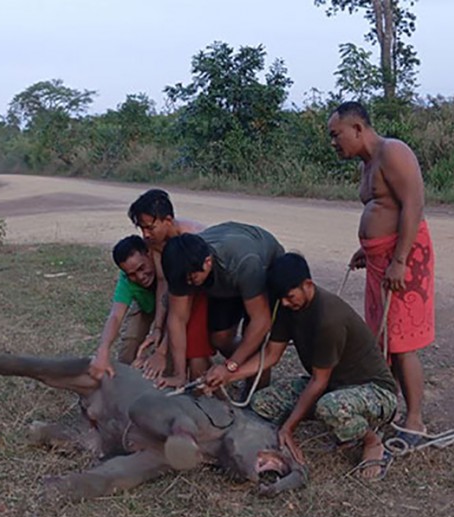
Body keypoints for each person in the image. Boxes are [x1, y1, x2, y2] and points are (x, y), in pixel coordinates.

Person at [205, 253, 398, 479]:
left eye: (290, 296)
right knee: (262, 402)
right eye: (282, 299)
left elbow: (319, 381)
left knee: (330, 408)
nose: (286, 303)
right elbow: (271, 355)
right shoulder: (287, 307)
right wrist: (228, 374)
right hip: (333, 387)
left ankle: (372, 441)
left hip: (374, 390)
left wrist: (288, 427)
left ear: (308, 284)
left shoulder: (328, 318)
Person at [328, 101, 436, 445]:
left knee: (402, 341)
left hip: (403, 260)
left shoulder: (393, 151)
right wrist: (369, 249)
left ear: (357, 128)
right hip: (382, 260)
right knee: (382, 340)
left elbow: (413, 204)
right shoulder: (367, 164)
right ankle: (385, 409)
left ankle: (415, 420)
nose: (334, 142)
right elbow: (383, 208)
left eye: (337, 134)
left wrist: (400, 259)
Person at [160, 222, 284, 389]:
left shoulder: (244, 263)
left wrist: (230, 366)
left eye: (191, 279)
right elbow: (177, 319)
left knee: (255, 340)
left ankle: (257, 390)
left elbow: (261, 322)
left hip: (262, 268)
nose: (188, 284)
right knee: (220, 338)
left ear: (207, 262)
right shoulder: (182, 266)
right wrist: (179, 374)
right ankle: (245, 366)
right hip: (226, 280)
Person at [126, 189, 212, 381]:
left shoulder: (192, 238)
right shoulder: (156, 243)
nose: (145, 235)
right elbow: (164, 284)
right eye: (141, 228)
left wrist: (162, 352)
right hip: (183, 290)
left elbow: (182, 307)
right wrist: (157, 328)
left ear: (168, 220)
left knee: (194, 349)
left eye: (150, 227)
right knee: (175, 332)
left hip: (202, 288)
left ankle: (203, 392)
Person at [88, 235, 157, 380]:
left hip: (172, 306)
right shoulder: (126, 280)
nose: (140, 277)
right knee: (130, 340)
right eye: (131, 274)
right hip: (146, 306)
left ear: (149, 253)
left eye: (142, 268)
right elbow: (115, 316)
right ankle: (123, 378)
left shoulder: (165, 264)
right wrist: (103, 349)